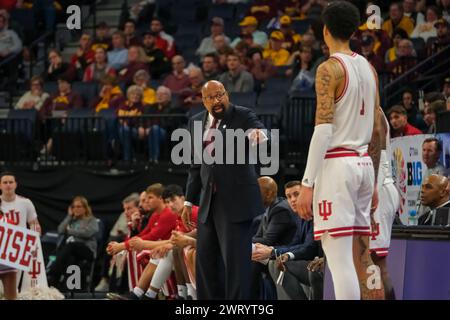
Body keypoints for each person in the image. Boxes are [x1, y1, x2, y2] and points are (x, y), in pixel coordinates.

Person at [297, 1, 384, 300]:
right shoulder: (369, 68)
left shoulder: (329, 68)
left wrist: (307, 183)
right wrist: (374, 181)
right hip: (363, 164)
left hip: (337, 166)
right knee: (362, 259)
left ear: (325, 30)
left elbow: (323, 130)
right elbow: (378, 128)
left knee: (338, 259)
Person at [181, 80, 268, 299]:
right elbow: (195, 166)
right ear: (203, 100)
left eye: (220, 95)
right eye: (211, 97)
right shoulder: (196, 122)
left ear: (226, 95)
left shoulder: (242, 115)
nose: (217, 101)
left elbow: (258, 128)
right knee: (206, 262)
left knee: (236, 264)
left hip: (236, 201)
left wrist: (258, 135)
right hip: (209, 202)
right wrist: (188, 202)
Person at [255, 180, 321, 300]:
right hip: (310, 262)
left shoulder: (315, 214)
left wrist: (272, 252)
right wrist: (273, 251)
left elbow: (309, 248)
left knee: (276, 263)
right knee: (275, 262)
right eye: (289, 196)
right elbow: (295, 244)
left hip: (320, 265)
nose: (293, 200)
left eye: (296, 194)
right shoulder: (300, 217)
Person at [369, 107, 400, 300]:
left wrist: (373, 190)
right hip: (372, 188)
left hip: (380, 187)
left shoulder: (375, 112)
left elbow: (378, 158)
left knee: (377, 263)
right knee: (367, 263)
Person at [250, 176, 298, 299]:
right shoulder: (268, 208)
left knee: (250, 262)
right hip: (270, 253)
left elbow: (267, 240)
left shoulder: (280, 209)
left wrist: (240, 241)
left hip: (283, 253)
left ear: (268, 193)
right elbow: (258, 236)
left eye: (257, 191)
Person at [0, 172, 41, 300]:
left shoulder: (25, 202)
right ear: (0, 185)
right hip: (0, 247)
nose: (8, 185)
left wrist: (34, 244)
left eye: (10, 182)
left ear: (16, 184)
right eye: (5, 182)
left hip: (16, 251)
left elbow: (35, 226)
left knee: (11, 292)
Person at [47, 196, 99, 290]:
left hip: (87, 250)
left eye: (79, 206)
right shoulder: (72, 220)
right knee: (69, 256)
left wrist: (70, 231)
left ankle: (51, 271)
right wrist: (69, 216)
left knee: (71, 246)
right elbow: (60, 230)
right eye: (74, 207)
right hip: (72, 251)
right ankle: (58, 288)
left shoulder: (91, 220)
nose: (76, 209)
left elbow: (87, 233)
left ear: (85, 208)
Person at [95, 193, 140, 292]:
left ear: (138, 207)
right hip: (125, 242)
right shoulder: (124, 216)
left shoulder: (142, 218)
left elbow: (141, 237)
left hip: (137, 246)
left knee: (119, 249)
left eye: (129, 208)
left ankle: (119, 289)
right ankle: (108, 284)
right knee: (113, 246)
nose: (126, 212)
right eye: (124, 209)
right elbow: (114, 232)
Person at [416, 138, 448, 217]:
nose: (425, 154)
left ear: (438, 153)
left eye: (430, 151)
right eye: (424, 150)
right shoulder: (428, 170)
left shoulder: (441, 174)